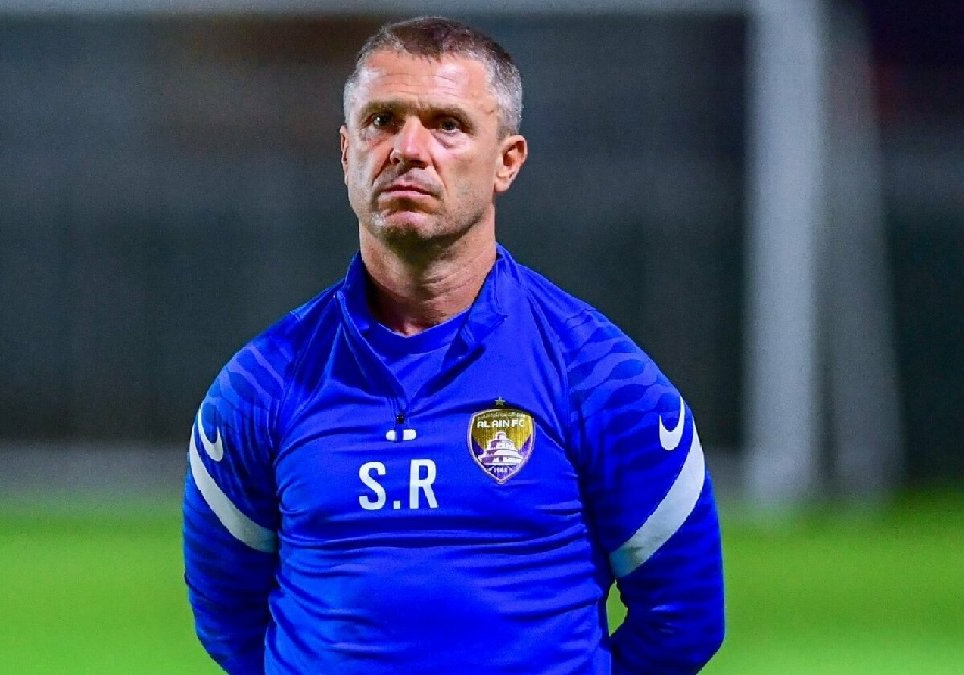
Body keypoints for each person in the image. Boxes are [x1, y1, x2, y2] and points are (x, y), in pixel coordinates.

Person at [182, 16, 724, 674]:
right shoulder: (261, 385)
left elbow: (683, 617)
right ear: (346, 152)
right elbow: (229, 613)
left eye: (447, 124)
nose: (408, 148)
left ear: (506, 161)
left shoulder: (605, 380)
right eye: (382, 120)